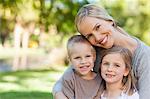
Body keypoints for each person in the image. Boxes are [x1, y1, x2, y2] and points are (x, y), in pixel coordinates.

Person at [53, 4, 150, 99]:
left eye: (98, 27)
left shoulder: (144, 56)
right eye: (89, 36)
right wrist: (58, 94)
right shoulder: (93, 52)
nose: (97, 37)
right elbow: (61, 84)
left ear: (109, 20)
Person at [54, 35, 102, 99]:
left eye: (87, 56)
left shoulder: (100, 79)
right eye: (77, 57)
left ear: (94, 57)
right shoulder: (69, 78)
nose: (83, 61)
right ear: (70, 60)